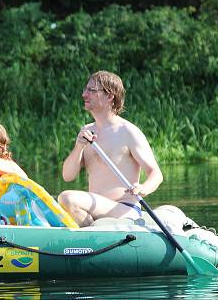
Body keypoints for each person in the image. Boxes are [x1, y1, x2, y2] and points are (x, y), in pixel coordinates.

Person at [57, 71, 163, 227]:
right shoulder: (86, 131)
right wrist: (79, 146)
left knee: (67, 198)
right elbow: (67, 176)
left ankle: (91, 237)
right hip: (96, 207)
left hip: (124, 208)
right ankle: (91, 236)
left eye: (92, 90)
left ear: (109, 96)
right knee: (59, 203)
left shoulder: (128, 132)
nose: (84, 94)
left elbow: (156, 173)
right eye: (86, 89)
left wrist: (143, 188)